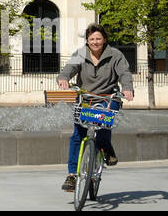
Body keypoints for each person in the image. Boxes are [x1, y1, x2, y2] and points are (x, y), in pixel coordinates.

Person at [57, 23, 134, 193]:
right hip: (85, 97)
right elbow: (69, 69)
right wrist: (63, 78)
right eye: (91, 39)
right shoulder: (80, 53)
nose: (95, 42)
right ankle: (71, 175)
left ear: (104, 39)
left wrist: (127, 87)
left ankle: (105, 146)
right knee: (78, 134)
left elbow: (124, 73)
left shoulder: (115, 55)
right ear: (87, 41)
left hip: (108, 96)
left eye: (98, 38)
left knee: (104, 124)